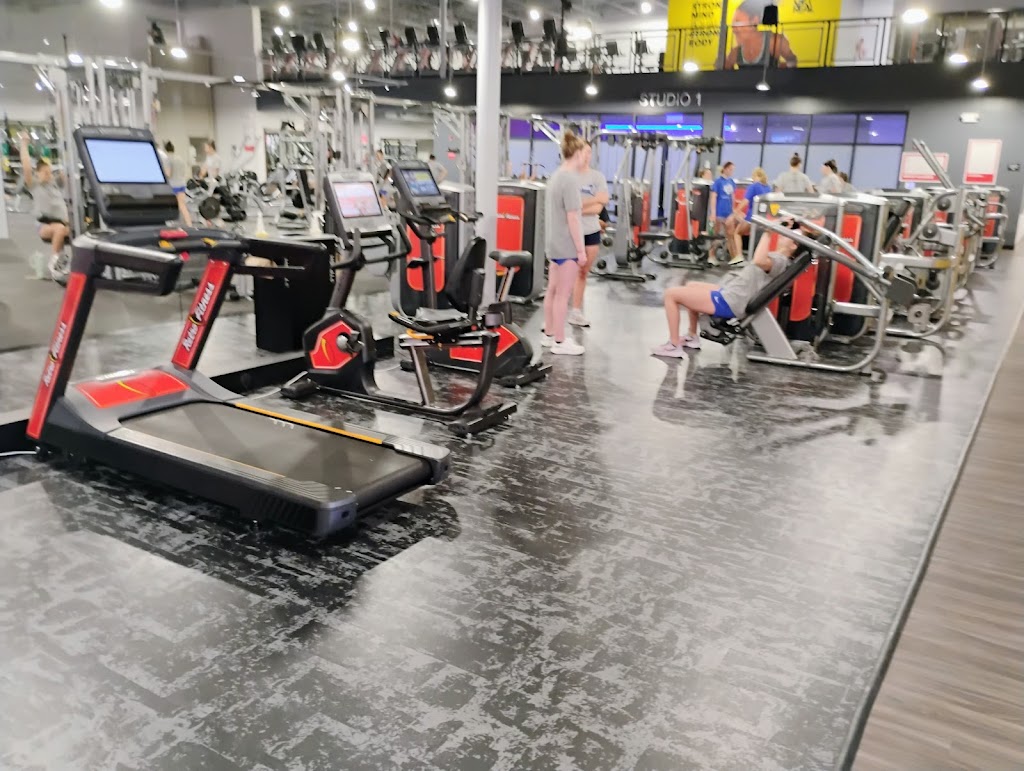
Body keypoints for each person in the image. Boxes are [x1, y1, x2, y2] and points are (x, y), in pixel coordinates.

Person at [652, 222, 802, 358]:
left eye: (788, 235)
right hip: (731, 292)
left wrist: (768, 232)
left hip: (731, 300)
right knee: (691, 285)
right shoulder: (778, 258)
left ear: (794, 246)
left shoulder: (780, 261)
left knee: (671, 294)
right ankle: (692, 337)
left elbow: (759, 260)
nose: (782, 234)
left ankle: (673, 345)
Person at [539, 131, 589, 356]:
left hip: (554, 244)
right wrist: (580, 250)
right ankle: (560, 340)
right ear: (577, 153)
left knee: (552, 290)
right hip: (566, 245)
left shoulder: (556, 176)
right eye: (584, 153)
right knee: (563, 295)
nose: (586, 158)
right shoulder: (569, 180)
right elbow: (573, 218)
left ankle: (549, 334)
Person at [570, 140, 609, 328]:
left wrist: (576, 207)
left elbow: (599, 207)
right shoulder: (568, 176)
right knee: (564, 273)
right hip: (570, 230)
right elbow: (566, 207)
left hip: (591, 231)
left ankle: (576, 311)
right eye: (584, 152)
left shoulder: (597, 177)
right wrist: (592, 201)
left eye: (589, 152)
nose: (587, 156)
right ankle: (555, 314)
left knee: (583, 272)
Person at [19, 132, 69, 281]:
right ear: (37, 174)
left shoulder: (54, 184)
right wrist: (24, 145)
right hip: (44, 225)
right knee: (59, 229)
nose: (48, 175)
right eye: (45, 172)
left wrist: (67, 144)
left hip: (63, 223)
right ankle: (54, 261)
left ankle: (65, 262)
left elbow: (66, 171)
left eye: (50, 172)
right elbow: (26, 167)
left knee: (80, 231)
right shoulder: (35, 185)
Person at [723, 0, 798, 70]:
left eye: (737, 22)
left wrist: (782, 68)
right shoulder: (736, 52)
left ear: (755, 20)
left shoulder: (773, 41)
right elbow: (725, 68)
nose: (733, 29)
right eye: (733, 23)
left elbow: (792, 61)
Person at [729, 167, 772, 264]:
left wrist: (736, 211)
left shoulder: (754, 186)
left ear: (756, 176)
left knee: (737, 233)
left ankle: (739, 256)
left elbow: (745, 201)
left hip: (752, 216)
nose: (752, 179)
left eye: (753, 177)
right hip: (763, 218)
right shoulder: (768, 188)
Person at [709, 161, 739, 262]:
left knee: (730, 235)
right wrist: (713, 213)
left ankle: (734, 257)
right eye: (730, 169)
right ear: (725, 169)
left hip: (728, 213)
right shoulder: (718, 182)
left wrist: (733, 211)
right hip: (719, 212)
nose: (731, 172)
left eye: (732, 170)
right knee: (716, 235)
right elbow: (713, 197)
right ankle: (711, 256)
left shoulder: (731, 182)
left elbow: (733, 197)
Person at [161, 141, 193, 227]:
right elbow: (183, 172)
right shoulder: (179, 158)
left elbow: (168, 174)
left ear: (165, 150)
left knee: (169, 205)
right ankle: (189, 224)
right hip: (181, 184)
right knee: (182, 205)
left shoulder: (167, 159)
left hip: (173, 186)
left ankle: (170, 224)